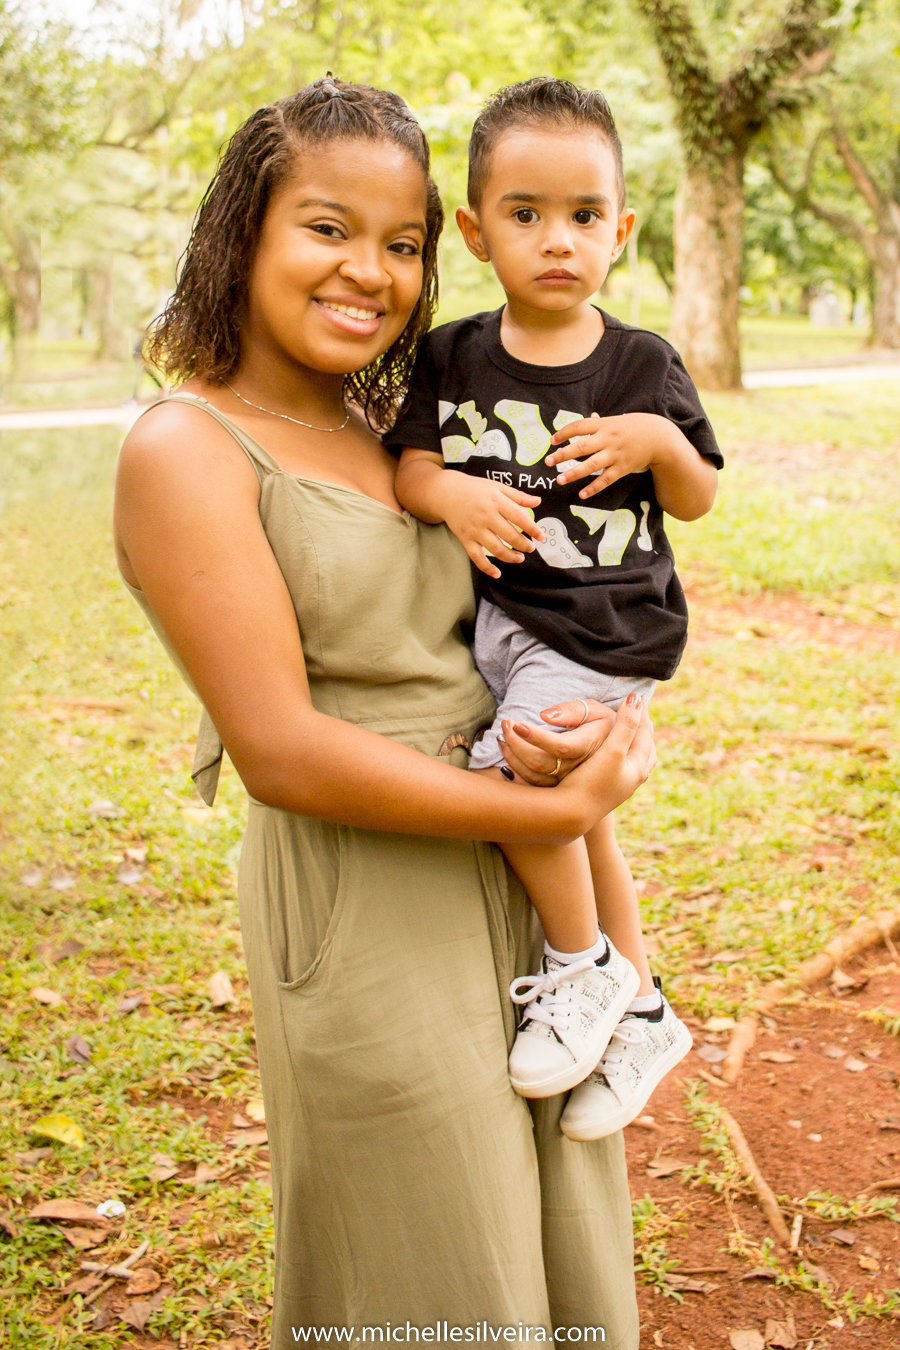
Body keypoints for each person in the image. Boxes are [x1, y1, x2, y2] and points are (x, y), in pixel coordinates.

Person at [113, 78, 656, 1348]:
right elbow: (281, 753)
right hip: (368, 891)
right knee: (433, 1263)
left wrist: (598, 727)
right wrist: (562, 802)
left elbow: (527, 627)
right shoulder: (186, 448)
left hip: (522, 871)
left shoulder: (401, 430)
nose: (372, 271)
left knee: (555, 1223)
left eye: (404, 243)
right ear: (243, 232)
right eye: (327, 229)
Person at [389, 78, 723, 1140]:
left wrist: (654, 444)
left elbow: (701, 493)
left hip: (603, 627)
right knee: (583, 813)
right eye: (525, 215)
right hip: (510, 627)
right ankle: (643, 1008)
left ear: (621, 230)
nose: (558, 241)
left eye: (585, 217)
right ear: (476, 232)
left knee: (515, 765)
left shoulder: (639, 364)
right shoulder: (450, 355)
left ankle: (580, 968)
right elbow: (407, 468)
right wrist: (448, 491)